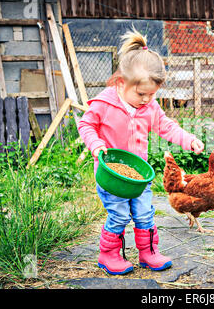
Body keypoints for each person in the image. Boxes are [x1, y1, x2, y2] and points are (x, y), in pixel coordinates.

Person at [77, 27, 204, 275]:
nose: (147, 99)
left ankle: (148, 253)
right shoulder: (104, 103)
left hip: (140, 176)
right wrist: (96, 144)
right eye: (141, 93)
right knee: (119, 215)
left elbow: (166, 126)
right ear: (121, 82)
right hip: (113, 177)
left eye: (152, 94)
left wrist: (188, 140)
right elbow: (86, 124)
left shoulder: (149, 107)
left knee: (145, 214)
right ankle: (108, 255)